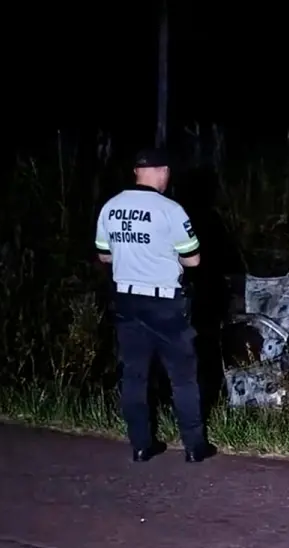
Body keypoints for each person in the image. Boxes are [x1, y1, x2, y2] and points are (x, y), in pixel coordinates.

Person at [94, 148, 213, 464]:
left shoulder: (111, 207)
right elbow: (193, 258)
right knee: (183, 376)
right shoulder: (170, 209)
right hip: (164, 302)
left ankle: (141, 445)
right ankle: (194, 446)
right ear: (161, 171)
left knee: (134, 375)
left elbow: (104, 255)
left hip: (126, 300)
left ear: (136, 171)